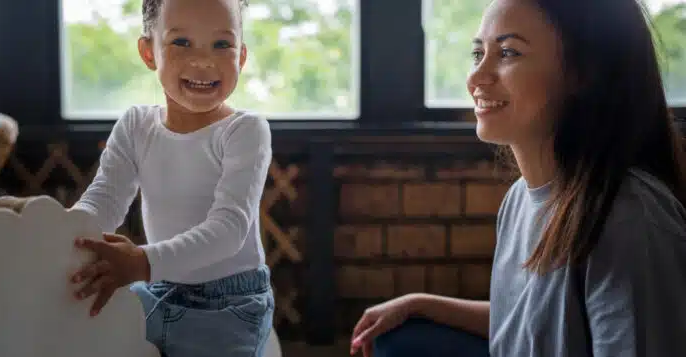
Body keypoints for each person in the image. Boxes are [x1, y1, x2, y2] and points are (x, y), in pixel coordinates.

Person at [350, 0, 686, 356]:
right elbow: (533, 325)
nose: (476, 77)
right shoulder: (518, 200)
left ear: (584, 73)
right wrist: (422, 304)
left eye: (508, 52)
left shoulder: (627, 215)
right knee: (399, 338)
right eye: (478, 53)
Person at [66, 0, 274, 356]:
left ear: (240, 56)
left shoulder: (244, 130)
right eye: (181, 42)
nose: (203, 61)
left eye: (221, 45)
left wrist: (142, 262)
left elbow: (229, 228)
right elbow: (105, 198)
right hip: (156, 288)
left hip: (228, 306)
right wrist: (64, 233)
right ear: (148, 52)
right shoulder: (135, 125)